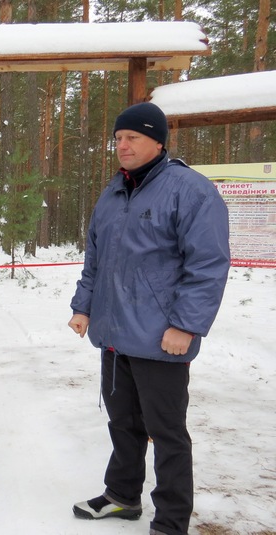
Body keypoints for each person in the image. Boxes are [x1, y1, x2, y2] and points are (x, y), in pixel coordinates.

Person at [68, 102, 230, 535]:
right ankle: (122, 496)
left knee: (167, 433)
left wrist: (187, 325)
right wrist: (83, 306)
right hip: (115, 334)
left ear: (158, 141)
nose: (122, 146)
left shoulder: (190, 190)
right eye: (118, 139)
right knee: (123, 422)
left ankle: (172, 521)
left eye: (132, 138)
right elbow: (95, 259)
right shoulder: (113, 191)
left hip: (161, 337)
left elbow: (208, 264)